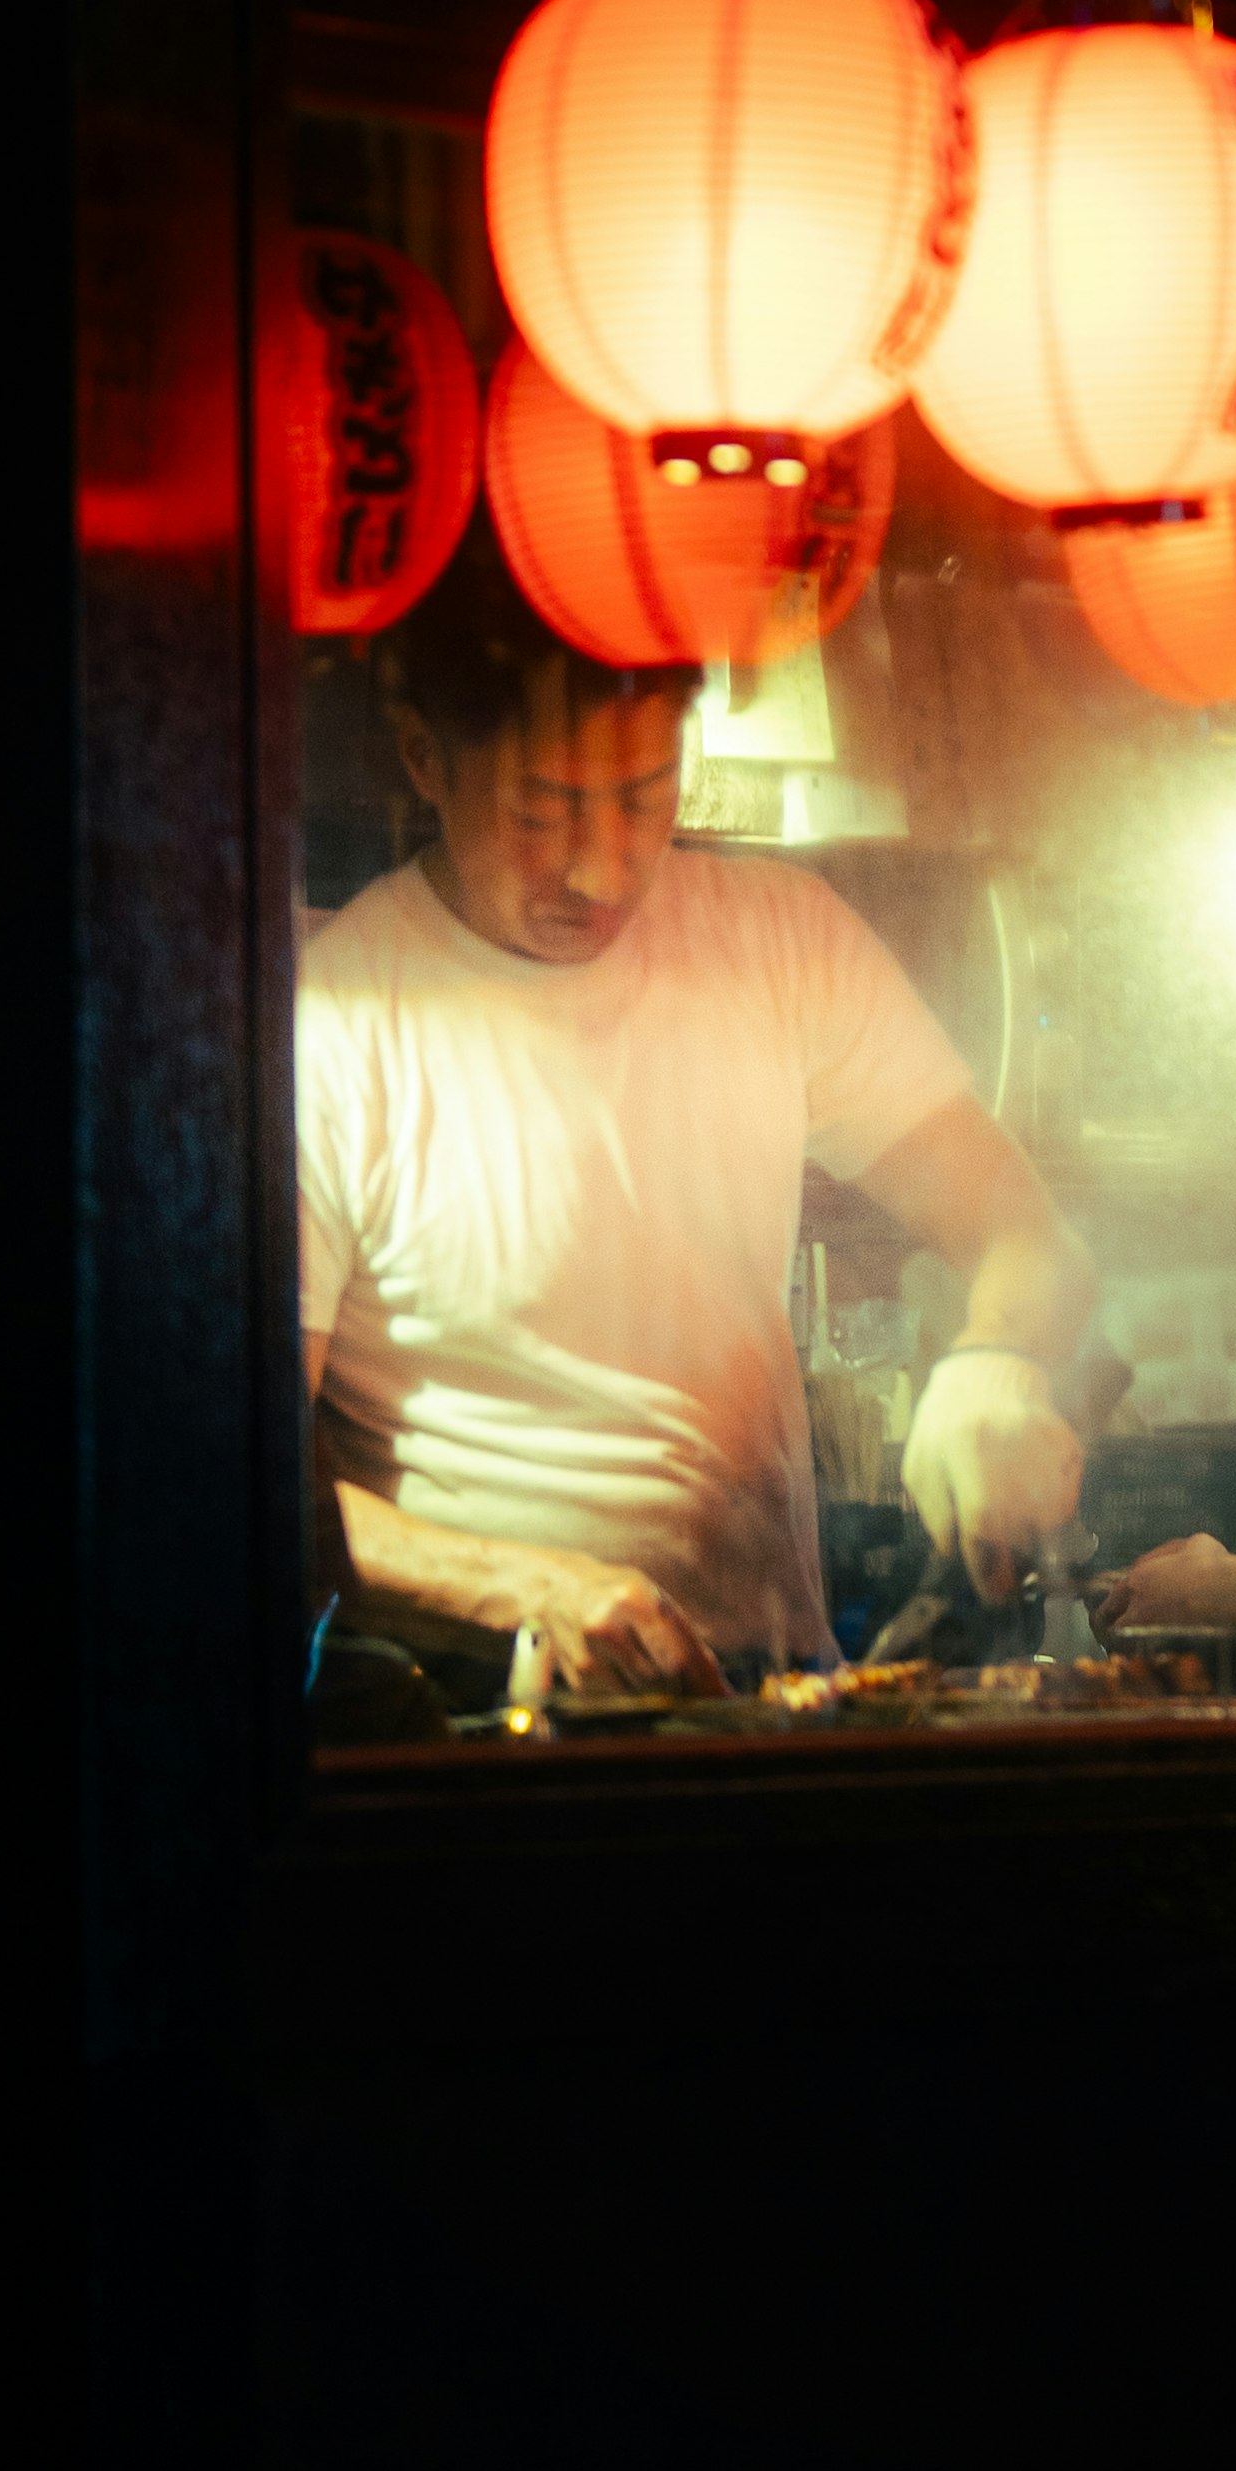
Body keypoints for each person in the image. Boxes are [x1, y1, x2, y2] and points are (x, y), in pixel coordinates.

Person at [298, 532, 1094, 1695]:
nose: (603, 869)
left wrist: (999, 1358)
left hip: (762, 1688)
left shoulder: (778, 941)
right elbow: (226, 1480)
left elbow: (1027, 1235)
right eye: (544, 808)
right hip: (465, 1705)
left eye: (642, 795)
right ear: (425, 758)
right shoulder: (334, 1024)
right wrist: (532, 1588)